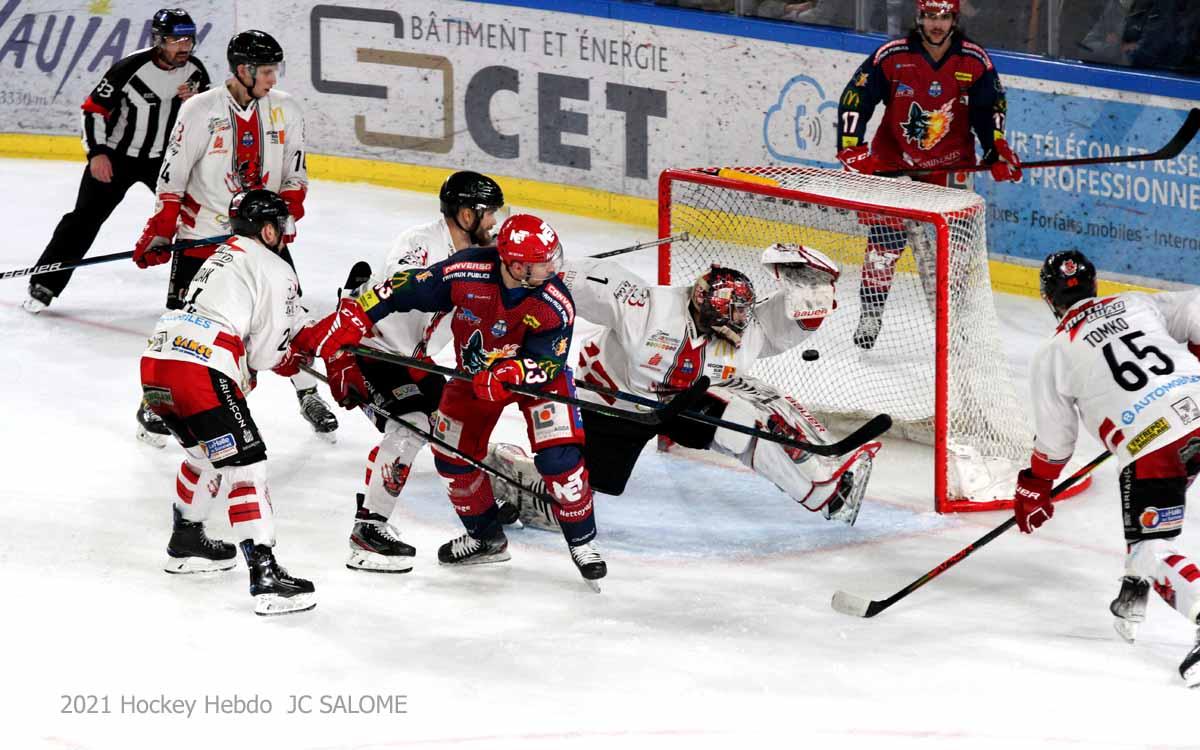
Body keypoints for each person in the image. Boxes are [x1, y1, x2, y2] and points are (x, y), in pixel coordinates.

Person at [292, 214, 606, 583]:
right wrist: (358, 314)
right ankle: (485, 538)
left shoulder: (555, 302)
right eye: (542, 262)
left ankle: (583, 542)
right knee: (450, 452)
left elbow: (549, 362)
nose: (552, 268)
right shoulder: (466, 271)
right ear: (515, 265)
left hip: (537, 382)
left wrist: (513, 373)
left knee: (559, 458)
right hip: (475, 375)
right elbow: (402, 287)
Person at [488, 243, 880, 531]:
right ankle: (505, 468)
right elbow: (559, 275)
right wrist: (509, 274)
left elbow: (782, 324)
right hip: (613, 404)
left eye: (744, 313)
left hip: (683, 403)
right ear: (708, 308)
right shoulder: (643, 305)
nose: (741, 323)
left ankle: (824, 491)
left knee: (747, 420)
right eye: (733, 314)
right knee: (575, 500)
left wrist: (811, 293)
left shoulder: (743, 328)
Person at [130, 29, 339, 444]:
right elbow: (172, 174)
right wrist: (160, 230)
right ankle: (155, 403)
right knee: (184, 322)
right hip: (203, 234)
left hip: (262, 237)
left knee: (287, 316)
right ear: (243, 70)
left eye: (275, 70)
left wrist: (283, 216)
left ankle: (308, 394)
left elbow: (296, 174)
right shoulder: (198, 109)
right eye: (266, 70)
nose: (273, 79)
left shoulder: (287, 109)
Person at [1014, 249, 1200, 686]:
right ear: (1094, 285)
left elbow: (1055, 442)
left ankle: (1150, 574)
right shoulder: (1136, 303)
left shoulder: (1054, 353)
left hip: (1153, 444)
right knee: (1147, 524)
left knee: (1155, 549)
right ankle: (1134, 589)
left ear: (1047, 298)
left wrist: (1036, 485)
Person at [140, 189, 316, 616]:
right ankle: (266, 575)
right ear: (268, 229)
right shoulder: (275, 267)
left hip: (157, 364)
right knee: (247, 465)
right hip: (200, 370)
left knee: (203, 455)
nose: (286, 234)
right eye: (281, 225)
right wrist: (289, 357)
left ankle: (187, 540)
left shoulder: (223, 254)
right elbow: (266, 354)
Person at [335, 170, 507, 573]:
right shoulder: (419, 243)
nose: (494, 221)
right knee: (410, 425)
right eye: (488, 213)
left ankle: (481, 512)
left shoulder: (482, 254)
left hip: (416, 358)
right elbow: (402, 285)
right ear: (466, 215)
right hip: (374, 349)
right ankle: (368, 530)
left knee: (451, 431)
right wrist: (460, 277)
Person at [835, 0, 1022, 350]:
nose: (937, 24)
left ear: (955, 19)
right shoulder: (893, 55)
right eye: (931, 16)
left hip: (950, 166)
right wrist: (850, 145)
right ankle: (871, 314)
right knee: (884, 245)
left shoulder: (974, 60)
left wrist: (995, 149)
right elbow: (855, 97)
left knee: (955, 252)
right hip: (894, 162)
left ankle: (952, 320)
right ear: (919, 18)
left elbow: (989, 109)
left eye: (944, 17)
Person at [22, 8, 209, 317]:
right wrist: (97, 153)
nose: (184, 46)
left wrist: (196, 102)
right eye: (176, 40)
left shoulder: (196, 71)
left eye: (188, 39)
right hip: (117, 158)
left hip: (165, 162)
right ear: (159, 40)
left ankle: (187, 292)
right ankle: (45, 283)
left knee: (195, 220)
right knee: (84, 220)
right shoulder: (130, 68)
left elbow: (206, 116)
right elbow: (93, 109)